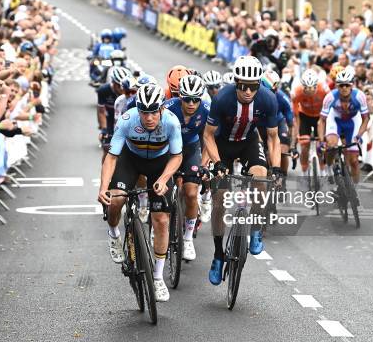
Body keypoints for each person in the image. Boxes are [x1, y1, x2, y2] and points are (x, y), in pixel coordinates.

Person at [98, 84, 183, 302]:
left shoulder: (172, 122)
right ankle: (114, 235)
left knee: (162, 220)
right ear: (138, 110)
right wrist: (103, 188)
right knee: (116, 201)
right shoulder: (127, 120)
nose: (148, 117)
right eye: (144, 112)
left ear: (161, 109)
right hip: (131, 160)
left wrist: (164, 179)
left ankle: (157, 278)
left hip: (159, 164)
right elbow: (112, 156)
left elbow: (177, 156)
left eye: (153, 111)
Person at [202, 56, 280, 286]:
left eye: (253, 86)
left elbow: (273, 137)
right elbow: (207, 135)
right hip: (222, 144)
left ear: (259, 84)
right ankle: (218, 255)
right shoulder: (222, 99)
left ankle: (255, 227)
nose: (247, 91)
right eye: (243, 85)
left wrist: (276, 168)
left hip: (248, 142)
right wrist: (217, 163)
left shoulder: (268, 99)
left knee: (260, 178)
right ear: (236, 81)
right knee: (219, 200)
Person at [163, 75, 210, 261]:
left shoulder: (207, 110)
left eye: (195, 99)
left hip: (191, 148)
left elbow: (209, 139)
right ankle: (156, 224)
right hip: (167, 149)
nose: (191, 103)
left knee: (191, 193)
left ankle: (188, 238)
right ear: (180, 97)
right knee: (161, 190)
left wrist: (204, 165)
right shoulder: (167, 108)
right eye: (187, 99)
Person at [318, 67, 369, 183]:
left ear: (352, 85)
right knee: (331, 144)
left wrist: (359, 135)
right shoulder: (330, 97)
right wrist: (322, 140)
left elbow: (366, 118)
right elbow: (321, 121)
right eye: (341, 85)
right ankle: (329, 168)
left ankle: (354, 190)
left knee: (354, 161)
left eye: (347, 85)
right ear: (337, 86)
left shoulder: (360, 96)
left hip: (353, 120)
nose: (344, 88)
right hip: (335, 119)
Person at [292, 69, 330, 176]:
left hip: (320, 116)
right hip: (304, 117)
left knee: (322, 146)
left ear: (316, 86)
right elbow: (296, 117)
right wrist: (296, 138)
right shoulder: (297, 92)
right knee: (304, 146)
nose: (309, 91)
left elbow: (331, 109)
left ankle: (322, 170)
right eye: (306, 89)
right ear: (302, 86)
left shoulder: (324, 89)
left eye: (312, 88)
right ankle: (304, 172)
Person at [97, 66, 130, 162]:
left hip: (126, 120)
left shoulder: (130, 91)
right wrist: (104, 129)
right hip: (110, 120)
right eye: (119, 85)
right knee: (107, 150)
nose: (122, 89)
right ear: (113, 83)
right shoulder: (103, 90)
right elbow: (101, 112)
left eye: (123, 86)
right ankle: (105, 175)